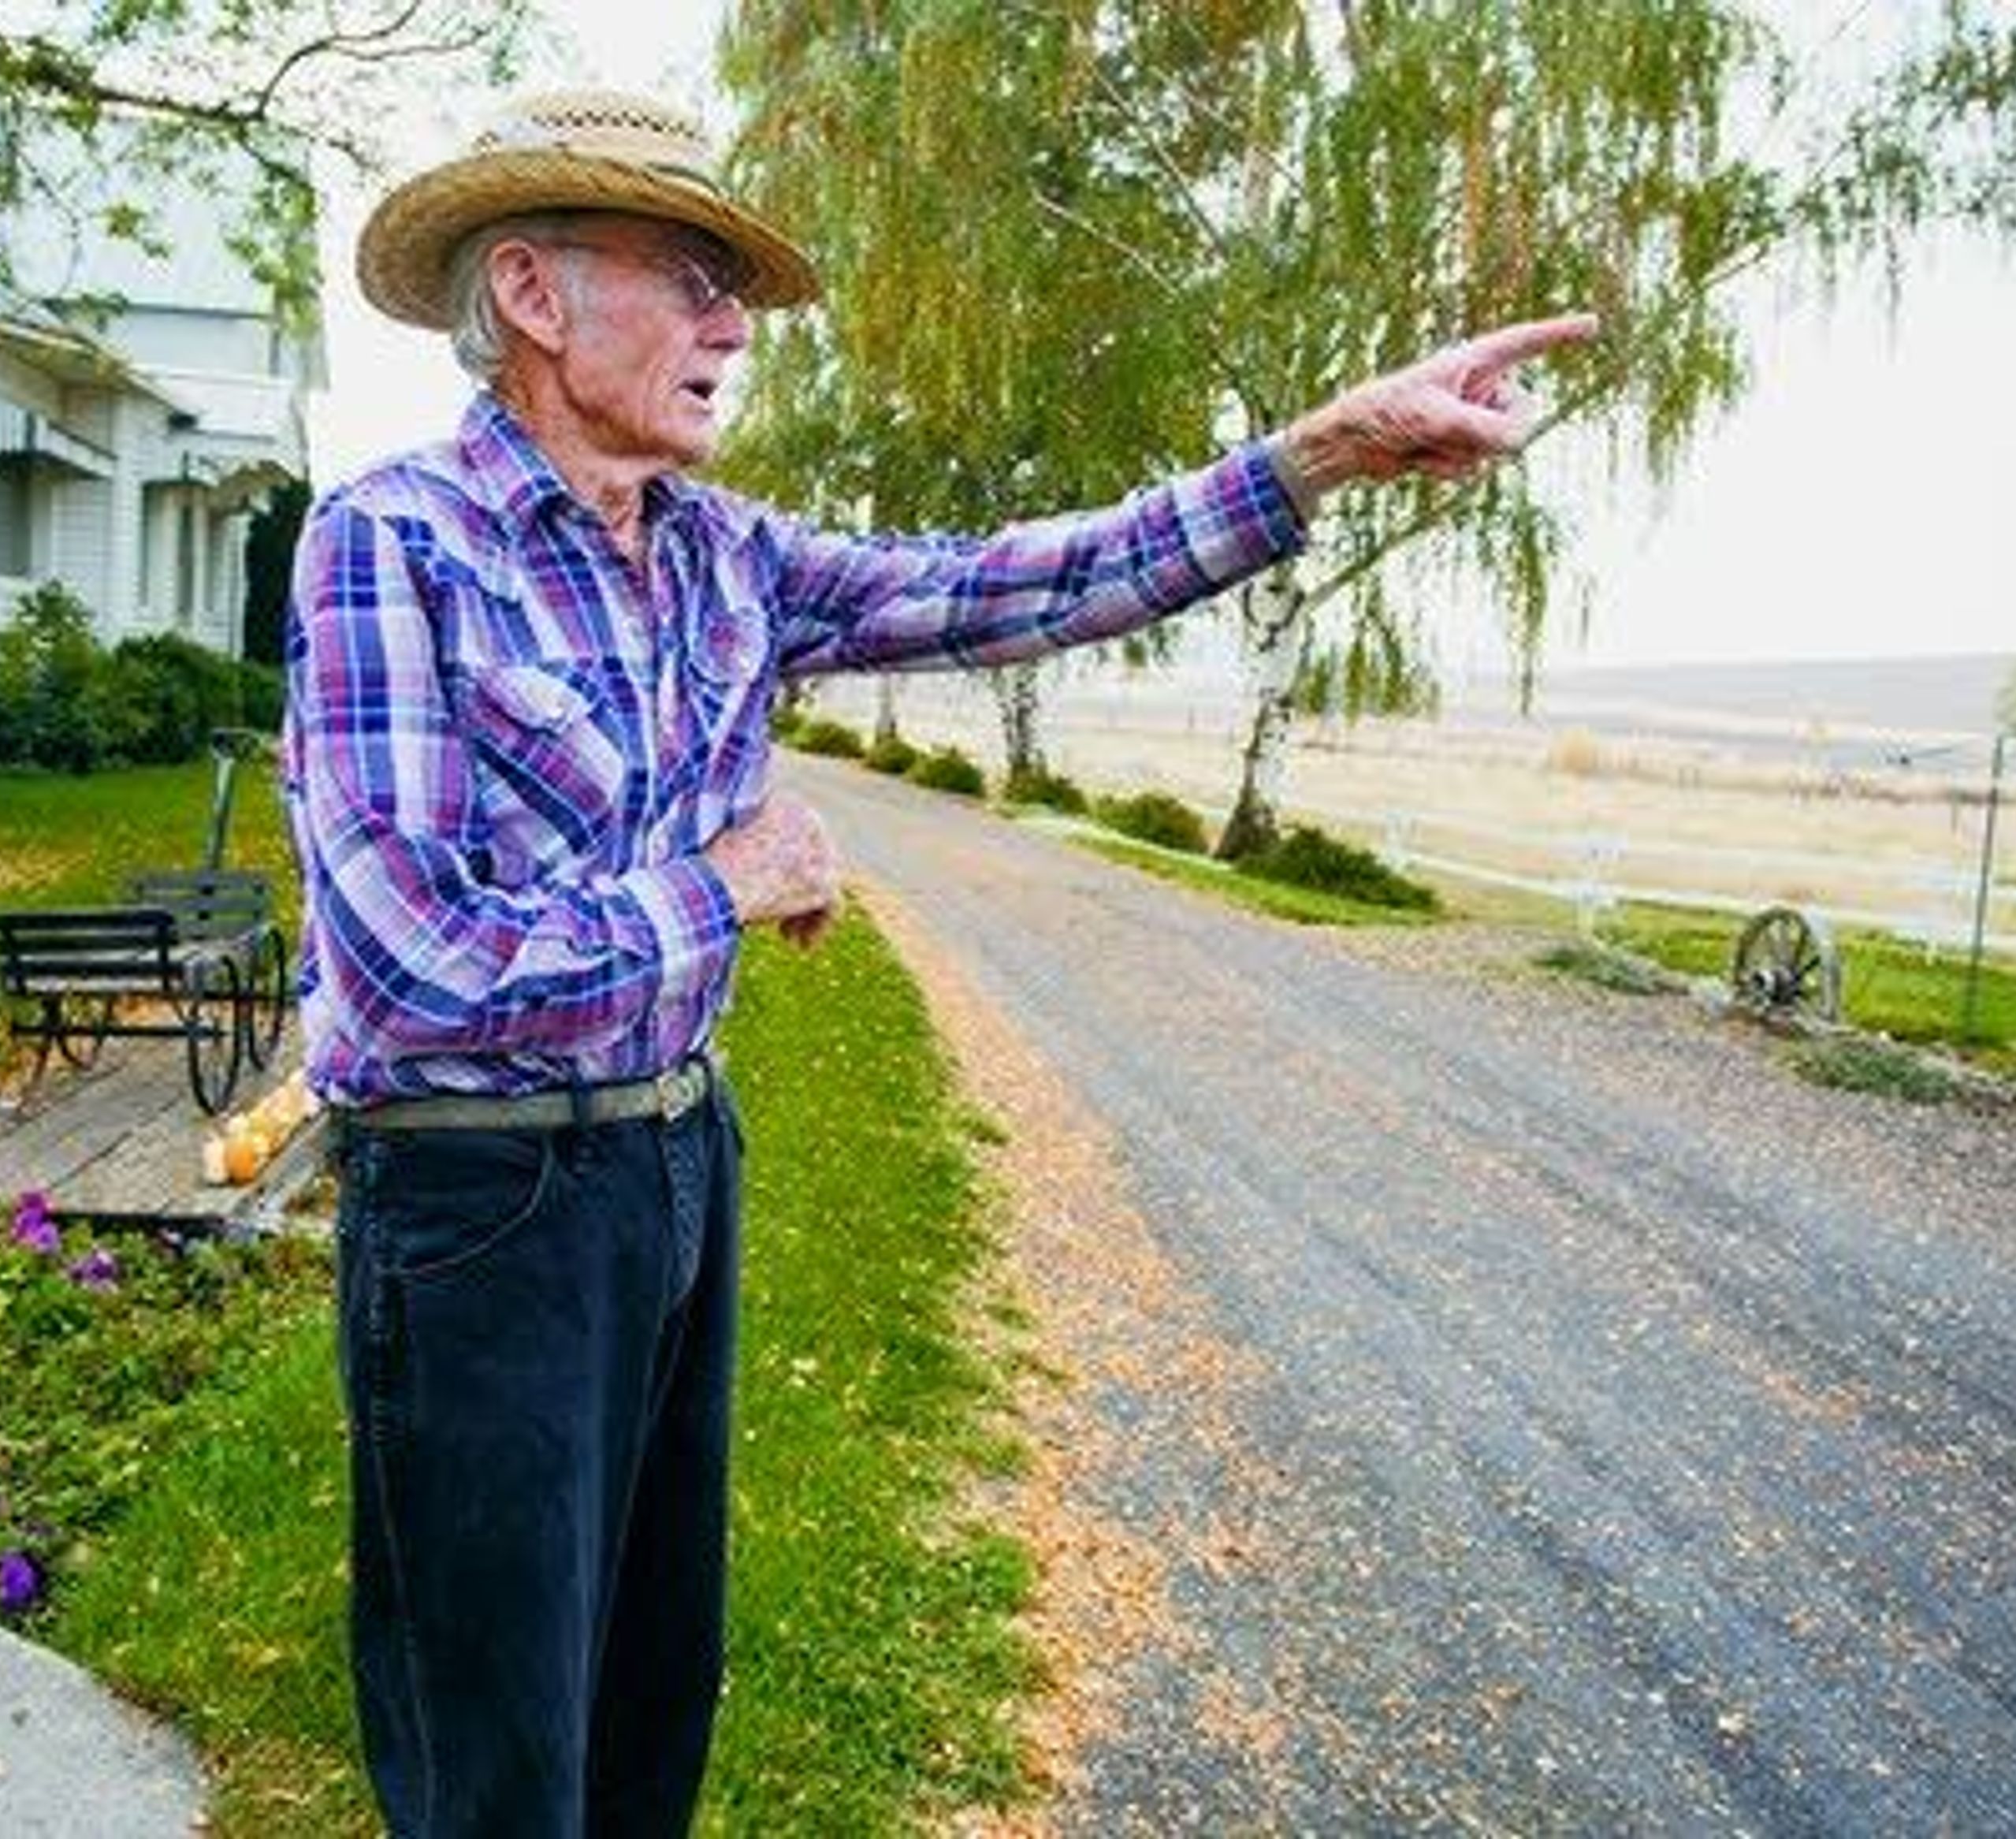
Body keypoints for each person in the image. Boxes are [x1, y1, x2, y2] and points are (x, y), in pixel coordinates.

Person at [284, 84, 1597, 1839]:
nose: (733, 322)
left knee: (648, 1697)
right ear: (531, 294)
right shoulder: (393, 547)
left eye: (730, 283)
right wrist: (727, 884)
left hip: (677, 1160)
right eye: (688, 273)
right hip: (479, 1208)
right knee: (497, 1744)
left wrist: (1314, 459)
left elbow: (1017, 587)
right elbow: (412, 977)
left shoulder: (727, 558)